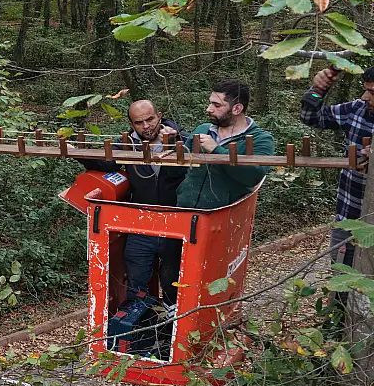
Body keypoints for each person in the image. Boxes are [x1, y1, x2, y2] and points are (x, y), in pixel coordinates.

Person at [80, 100, 187, 306]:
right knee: (136, 281)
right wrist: (78, 152)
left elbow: (183, 170)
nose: (146, 126)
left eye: (150, 119)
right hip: (141, 224)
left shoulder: (182, 138)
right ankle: (142, 325)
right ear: (132, 124)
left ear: (160, 115)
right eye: (139, 123)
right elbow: (107, 163)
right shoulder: (126, 143)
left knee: (173, 282)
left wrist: (172, 144)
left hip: (176, 222)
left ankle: (173, 327)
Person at [302, 66, 374, 266]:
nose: (365, 96)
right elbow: (311, 118)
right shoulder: (357, 109)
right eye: (365, 89)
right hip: (348, 219)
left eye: (373, 92)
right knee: (341, 283)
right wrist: (318, 90)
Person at [177, 80, 275, 209]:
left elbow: (253, 176)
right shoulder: (202, 129)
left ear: (237, 108)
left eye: (217, 105)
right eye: (210, 103)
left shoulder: (261, 139)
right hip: (184, 209)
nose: (209, 109)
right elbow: (177, 170)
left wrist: (217, 151)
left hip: (225, 216)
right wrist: (170, 144)